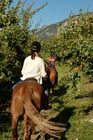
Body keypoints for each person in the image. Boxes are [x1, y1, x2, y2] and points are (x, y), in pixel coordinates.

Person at [20, 41, 51, 109]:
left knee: (14, 87)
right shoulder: (40, 60)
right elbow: (43, 74)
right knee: (46, 88)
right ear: (39, 50)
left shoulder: (26, 59)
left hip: (24, 79)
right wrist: (45, 75)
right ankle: (46, 103)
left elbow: (22, 72)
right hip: (36, 80)